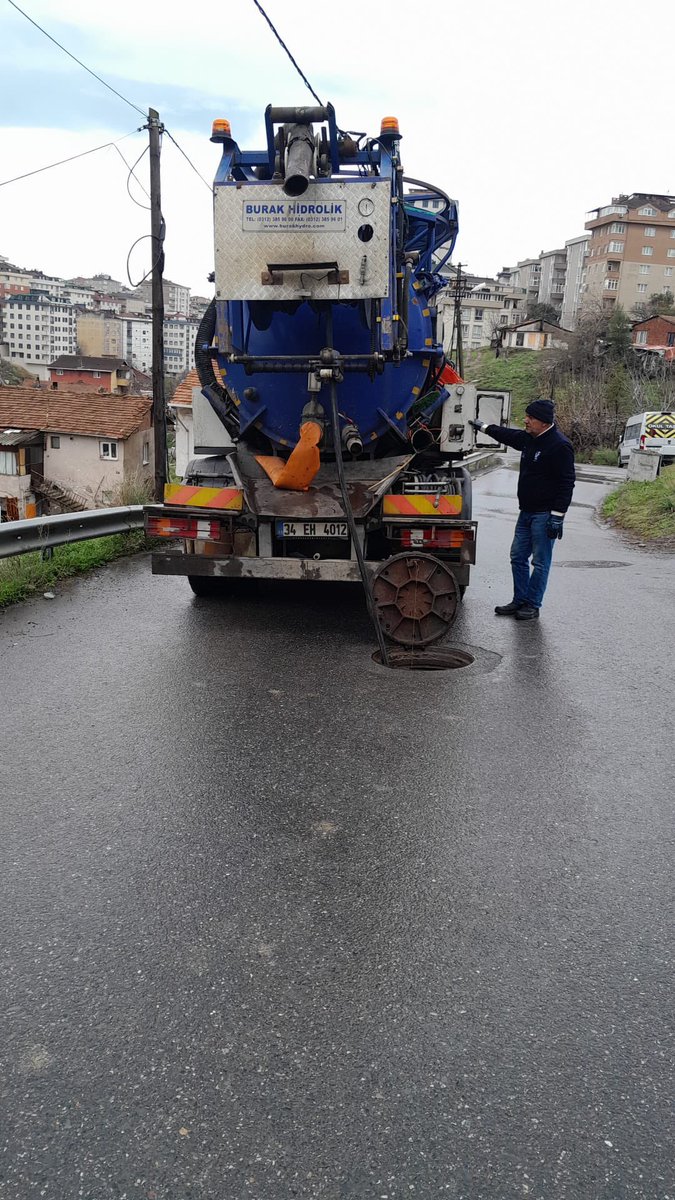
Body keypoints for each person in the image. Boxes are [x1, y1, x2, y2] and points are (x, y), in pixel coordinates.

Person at [469, 398, 575, 621]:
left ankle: (532, 604)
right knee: (517, 556)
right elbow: (507, 435)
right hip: (526, 512)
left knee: (540, 561)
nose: (525, 421)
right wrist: (484, 427)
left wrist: (557, 516)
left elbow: (567, 482)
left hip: (545, 515)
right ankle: (519, 599)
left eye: (531, 417)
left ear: (544, 422)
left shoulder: (559, 445)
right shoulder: (529, 439)